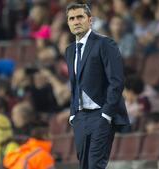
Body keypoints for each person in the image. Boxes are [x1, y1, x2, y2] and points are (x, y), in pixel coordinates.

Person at [64, 3, 130, 169]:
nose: (76, 21)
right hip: (80, 117)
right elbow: (75, 83)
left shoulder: (105, 43)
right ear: (68, 23)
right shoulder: (70, 50)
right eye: (72, 18)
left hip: (101, 114)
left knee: (95, 165)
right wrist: (73, 113)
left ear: (90, 20)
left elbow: (117, 81)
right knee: (84, 165)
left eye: (80, 17)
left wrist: (107, 114)